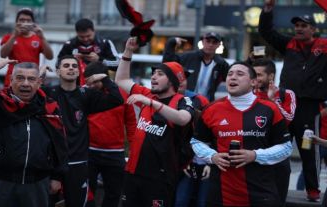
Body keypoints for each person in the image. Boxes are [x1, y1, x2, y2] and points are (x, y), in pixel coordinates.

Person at [0, 59, 68, 207]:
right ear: (10, 80)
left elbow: (60, 144)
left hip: (36, 183)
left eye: (31, 79)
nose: (25, 83)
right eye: (20, 78)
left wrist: (57, 176)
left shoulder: (50, 108)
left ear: (38, 83)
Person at [191, 62, 292, 206]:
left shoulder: (269, 109)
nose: (233, 77)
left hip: (261, 192)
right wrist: (212, 156)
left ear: (253, 82)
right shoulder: (211, 109)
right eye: (230, 74)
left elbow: (286, 147)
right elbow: (196, 142)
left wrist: (255, 155)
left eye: (240, 74)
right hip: (221, 192)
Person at [258, 0, 327, 201]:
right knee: (277, 146)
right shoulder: (288, 44)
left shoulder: (324, 46)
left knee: (308, 148)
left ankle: (312, 190)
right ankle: (269, 187)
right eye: (297, 25)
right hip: (285, 103)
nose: (298, 28)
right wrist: (268, 10)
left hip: (309, 107)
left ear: (313, 29)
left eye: (304, 26)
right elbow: (266, 32)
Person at [115, 37, 195, 207]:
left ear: (173, 80)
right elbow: (121, 80)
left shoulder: (183, 100)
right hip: (133, 172)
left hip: (160, 178)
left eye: (160, 74)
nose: (153, 77)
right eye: (153, 73)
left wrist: (151, 103)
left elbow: (183, 118)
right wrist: (128, 52)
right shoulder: (148, 94)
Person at [41, 56, 123, 207]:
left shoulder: (86, 95)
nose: (71, 68)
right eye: (66, 65)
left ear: (79, 72)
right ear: (58, 71)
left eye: (74, 66)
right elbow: (27, 97)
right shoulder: (48, 93)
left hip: (78, 162)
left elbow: (116, 99)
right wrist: (39, 78)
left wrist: (105, 79)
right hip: (52, 162)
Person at [83, 62, 136, 207]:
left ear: (103, 77)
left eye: (96, 81)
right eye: (89, 82)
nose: (92, 85)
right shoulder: (84, 94)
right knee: (87, 194)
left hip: (115, 152)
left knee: (114, 194)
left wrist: (133, 147)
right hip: (89, 151)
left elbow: (131, 122)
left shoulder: (121, 94)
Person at [252, 58, 296, 206]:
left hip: (279, 155)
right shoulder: (249, 95)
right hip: (254, 154)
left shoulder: (286, 94)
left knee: (278, 199)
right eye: (253, 74)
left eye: (258, 75)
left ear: (270, 76)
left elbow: (288, 119)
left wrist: (272, 100)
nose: (255, 78)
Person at [174, 71, 211, 207]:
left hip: (201, 160)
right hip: (178, 162)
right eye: (177, 78)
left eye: (184, 78)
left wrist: (210, 162)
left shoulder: (200, 100)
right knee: (179, 201)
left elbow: (212, 131)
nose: (181, 81)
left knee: (201, 202)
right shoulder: (161, 100)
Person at [162, 33, 229, 101]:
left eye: (214, 42)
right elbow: (168, 64)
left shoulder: (221, 63)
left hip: (206, 104)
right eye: (208, 41)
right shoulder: (189, 57)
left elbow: (232, 79)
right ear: (202, 42)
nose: (210, 45)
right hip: (185, 102)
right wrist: (171, 43)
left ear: (219, 45)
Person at [0, 8, 53, 87]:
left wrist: (42, 37)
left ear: (33, 23)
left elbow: (50, 57)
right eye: (22, 20)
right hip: (12, 79)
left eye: (28, 21)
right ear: (16, 22)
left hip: (32, 79)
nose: (25, 23)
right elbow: (3, 55)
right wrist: (14, 36)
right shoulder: (9, 37)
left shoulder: (38, 38)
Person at [58, 18, 119, 85]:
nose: (86, 39)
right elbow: (58, 64)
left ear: (94, 31)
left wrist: (99, 60)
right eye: (81, 37)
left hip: (100, 86)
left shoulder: (105, 43)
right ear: (77, 33)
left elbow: (117, 64)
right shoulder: (69, 45)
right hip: (75, 86)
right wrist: (73, 60)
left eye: (88, 36)